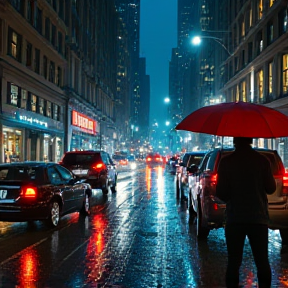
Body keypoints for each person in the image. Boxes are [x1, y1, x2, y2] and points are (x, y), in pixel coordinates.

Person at [216, 137, 276, 288]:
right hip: (258, 218)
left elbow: (221, 193)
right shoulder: (262, 161)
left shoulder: (226, 162)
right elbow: (271, 188)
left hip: (235, 218)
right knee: (262, 261)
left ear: (235, 141)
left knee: (233, 262)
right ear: (251, 140)